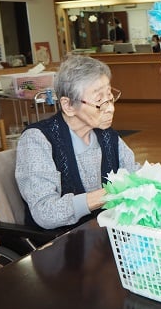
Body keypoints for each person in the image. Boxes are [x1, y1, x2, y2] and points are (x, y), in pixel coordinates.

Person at [15, 55, 139, 229]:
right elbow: (45, 212)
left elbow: (134, 174)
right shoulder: (37, 140)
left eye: (110, 97)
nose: (110, 107)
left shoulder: (107, 135)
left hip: (104, 234)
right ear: (68, 106)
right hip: (60, 243)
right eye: (99, 101)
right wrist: (109, 194)